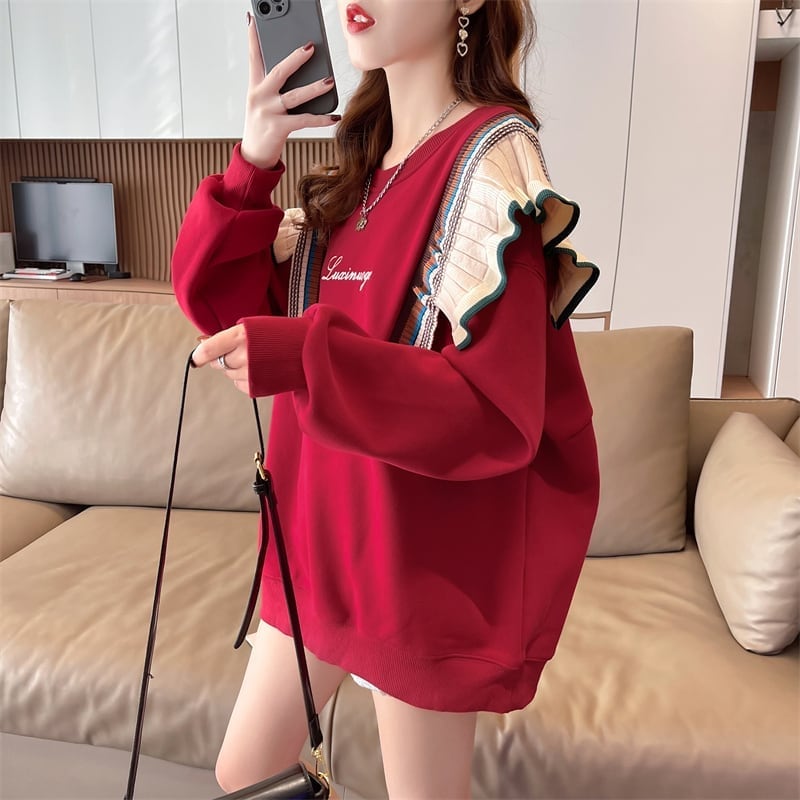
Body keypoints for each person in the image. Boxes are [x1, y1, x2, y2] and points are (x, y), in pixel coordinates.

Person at [173, 1, 601, 797]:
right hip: (316, 550)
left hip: (413, 569)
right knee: (246, 777)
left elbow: (493, 412)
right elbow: (218, 301)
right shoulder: (354, 176)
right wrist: (255, 157)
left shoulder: (490, 163)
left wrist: (306, 357)